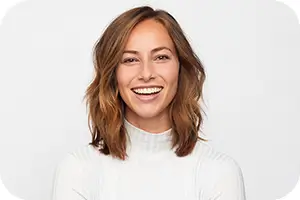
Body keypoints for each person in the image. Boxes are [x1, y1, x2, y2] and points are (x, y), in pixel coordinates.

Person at [51, 6, 246, 200]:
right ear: (112, 74)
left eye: (161, 57)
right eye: (130, 60)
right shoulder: (78, 171)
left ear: (180, 67)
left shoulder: (219, 173)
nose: (146, 74)